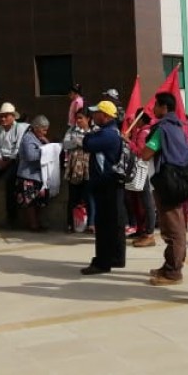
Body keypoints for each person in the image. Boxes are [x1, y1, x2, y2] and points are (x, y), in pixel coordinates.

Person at [140, 92, 188, 286]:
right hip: (178, 181)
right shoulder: (178, 128)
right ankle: (169, 265)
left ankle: (174, 272)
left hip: (167, 183)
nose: (153, 109)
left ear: (164, 108)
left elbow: (146, 153)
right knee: (174, 226)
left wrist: (134, 146)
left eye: (156, 105)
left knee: (173, 229)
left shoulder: (162, 129)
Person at [80, 100, 125, 275]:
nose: (93, 116)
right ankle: (115, 257)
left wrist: (88, 134)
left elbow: (87, 144)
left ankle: (102, 262)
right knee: (113, 223)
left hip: (107, 184)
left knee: (105, 224)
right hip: (109, 184)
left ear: (105, 116)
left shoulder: (108, 134)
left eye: (96, 113)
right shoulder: (110, 132)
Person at [15, 115, 51, 232]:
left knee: (39, 203)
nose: (45, 132)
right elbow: (31, 156)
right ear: (36, 128)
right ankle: (33, 225)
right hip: (28, 175)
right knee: (30, 203)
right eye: (43, 129)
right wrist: (45, 150)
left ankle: (38, 223)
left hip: (38, 176)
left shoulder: (39, 138)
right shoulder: (28, 138)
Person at [62, 108, 94, 233]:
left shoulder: (94, 131)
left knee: (89, 197)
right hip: (74, 167)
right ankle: (71, 224)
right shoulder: (71, 130)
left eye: (81, 118)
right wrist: (77, 142)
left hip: (89, 167)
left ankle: (91, 224)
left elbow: (93, 145)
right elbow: (65, 144)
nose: (78, 120)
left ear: (88, 119)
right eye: (77, 118)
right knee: (73, 197)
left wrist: (82, 142)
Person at [127, 113, 157, 247]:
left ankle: (149, 232)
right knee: (143, 202)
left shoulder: (144, 133)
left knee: (147, 202)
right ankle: (143, 230)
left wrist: (128, 142)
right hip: (145, 170)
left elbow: (140, 151)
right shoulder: (145, 131)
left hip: (144, 170)